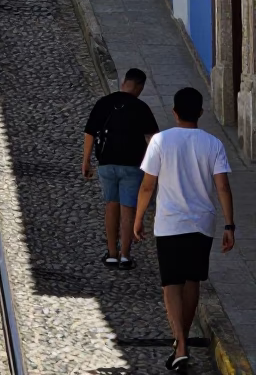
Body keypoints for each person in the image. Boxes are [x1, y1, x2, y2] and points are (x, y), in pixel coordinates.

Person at [134, 87, 234, 370]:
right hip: (202, 224)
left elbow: (147, 186)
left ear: (174, 112)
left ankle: (180, 342)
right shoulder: (213, 143)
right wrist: (230, 225)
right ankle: (182, 340)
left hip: (169, 224)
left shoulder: (161, 141)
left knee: (171, 284)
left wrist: (139, 218)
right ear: (201, 113)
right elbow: (223, 187)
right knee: (192, 282)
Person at [83, 68, 159, 271]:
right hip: (132, 166)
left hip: (106, 164)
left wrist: (86, 161)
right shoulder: (142, 107)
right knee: (128, 209)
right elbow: (152, 139)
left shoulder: (104, 103)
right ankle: (125, 256)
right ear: (140, 87)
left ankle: (111, 254)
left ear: (124, 81)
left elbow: (90, 132)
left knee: (111, 206)